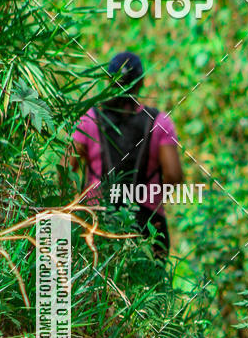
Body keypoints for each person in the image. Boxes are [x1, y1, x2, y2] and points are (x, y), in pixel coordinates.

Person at [70, 51, 183, 256]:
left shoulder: (89, 119)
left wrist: (76, 203)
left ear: (108, 79)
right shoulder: (159, 122)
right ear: (141, 83)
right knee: (149, 282)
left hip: (97, 221)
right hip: (147, 223)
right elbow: (174, 175)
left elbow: (67, 168)